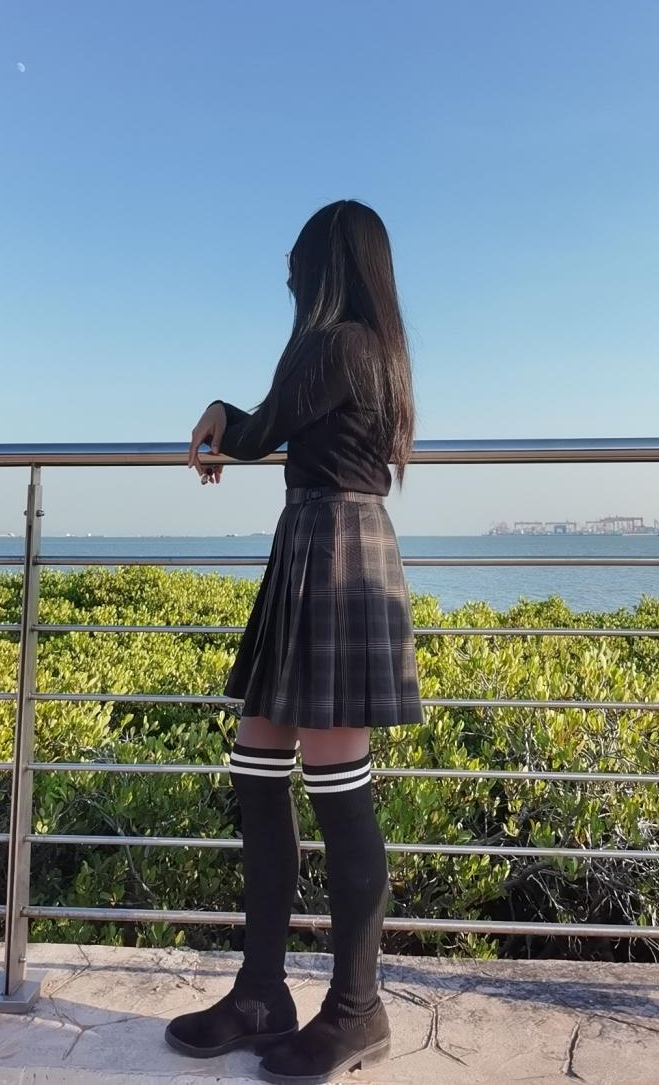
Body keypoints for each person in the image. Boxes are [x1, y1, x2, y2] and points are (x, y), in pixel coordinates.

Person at [166, 199, 424, 1085]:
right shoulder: (375, 348)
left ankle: (356, 1008)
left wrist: (217, 412)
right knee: (259, 765)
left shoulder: (333, 344)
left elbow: (257, 429)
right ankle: (260, 994)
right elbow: (278, 427)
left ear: (325, 267)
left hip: (332, 549)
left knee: (339, 787)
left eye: (296, 265)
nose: (288, 278)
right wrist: (231, 417)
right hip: (325, 543)